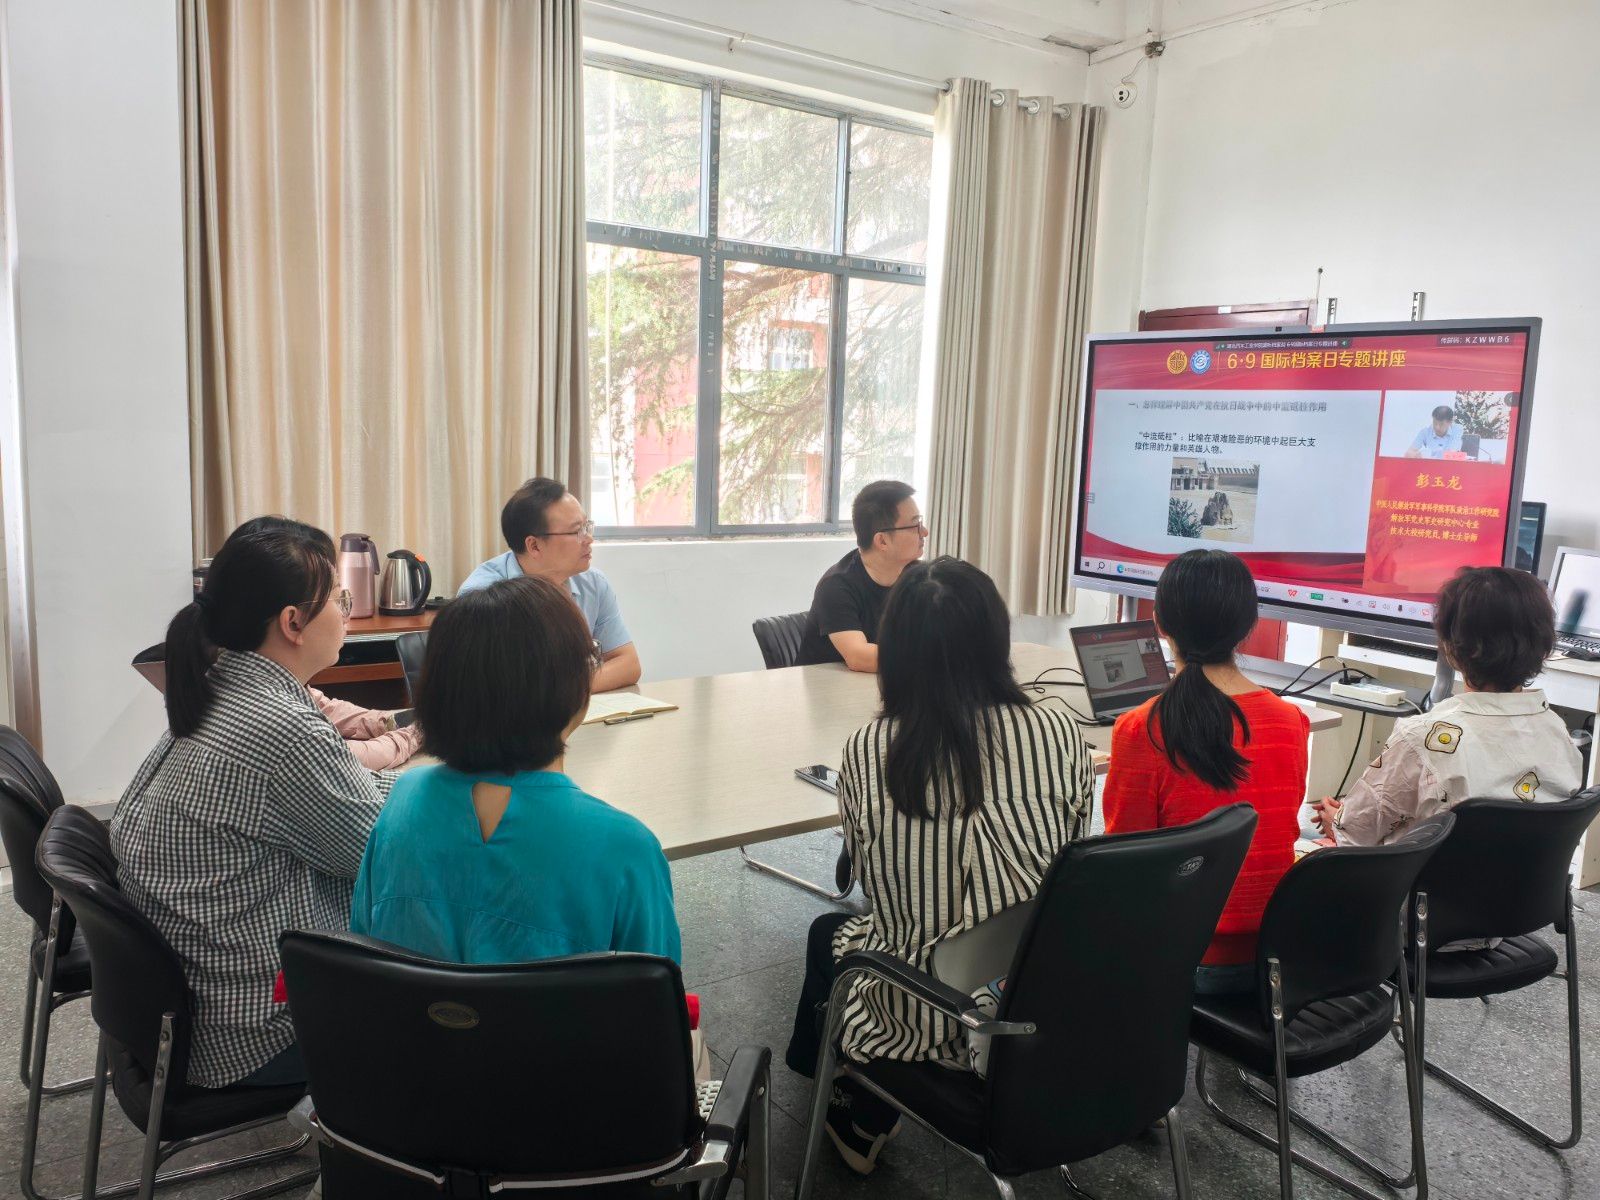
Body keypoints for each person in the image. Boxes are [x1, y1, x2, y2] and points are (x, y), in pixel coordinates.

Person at [786, 557, 1094, 1174]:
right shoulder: (1060, 731)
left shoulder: (871, 750)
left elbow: (872, 881)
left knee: (830, 933)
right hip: (1043, 993)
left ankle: (852, 1106)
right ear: (997, 639)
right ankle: (845, 1090)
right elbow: (1073, 842)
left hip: (928, 1010)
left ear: (897, 652)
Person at [112, 517, 391, 1089]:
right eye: (339, 599)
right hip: (257, 1030)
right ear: (293, 623)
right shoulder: (280, 727)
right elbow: (378, 855)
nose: (345, 612)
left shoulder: (220, 687)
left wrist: (400, 788)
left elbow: (339, 801)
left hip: (193, 1003)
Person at [351, 575, 680, 965]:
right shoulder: (627, 848)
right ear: (574, 688)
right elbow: (656, 993)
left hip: (404, 1007)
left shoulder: (403, 800)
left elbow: (364, 947)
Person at [1102, 549, 1310, 996]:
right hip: (1277, 954)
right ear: (1248, 625)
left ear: (1159, 623)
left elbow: (1124, 867)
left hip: (1183, 961)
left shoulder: (1142, 728)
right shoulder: (1291, 721)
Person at [1317, 566, 1582, 845]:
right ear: (1544, 648)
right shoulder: (1558, 733)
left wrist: (1335, 821)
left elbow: (1357, 834)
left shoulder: (1419, 736)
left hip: (1433, 874)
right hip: (1525, 874)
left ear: (1451, 647)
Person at [458, 477, 640, 692]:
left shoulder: (593, 584)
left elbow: (628, 664)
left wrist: (563, 691)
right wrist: (570, 688)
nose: (589, 539)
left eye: (587, 526)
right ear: (534, 545)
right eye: (576, 531)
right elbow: (498, 687)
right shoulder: (482, 597)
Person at [795, 480, 927, 670]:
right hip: (828, 686)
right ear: (882, 541)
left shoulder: (917, 576)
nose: (924, 532)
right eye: (915, 526)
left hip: (884, 683)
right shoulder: (836, 586)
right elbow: (859, 656)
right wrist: (932, 659)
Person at [309, 688, 421, 770]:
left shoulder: (301, 689)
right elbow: (340, 755)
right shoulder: (299, 720)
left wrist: (388, 723)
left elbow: (327, 709)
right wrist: (415, 734)